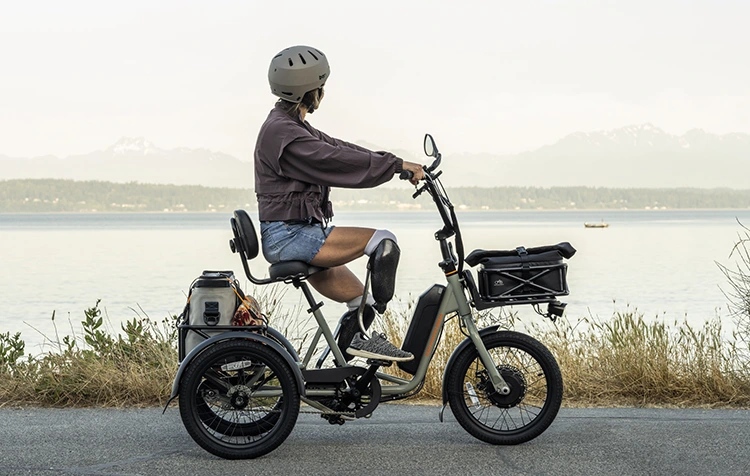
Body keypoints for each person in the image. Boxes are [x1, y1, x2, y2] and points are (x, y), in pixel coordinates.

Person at [254, 45, 424, 362]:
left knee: (364, 302)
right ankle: (361, 339)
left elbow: (339, 147)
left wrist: (396, 163)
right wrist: (396, 167)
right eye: (321, 86)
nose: (323, 92)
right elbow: (336, 159)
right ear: (311, 90)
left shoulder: (290, 127)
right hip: (290, 237)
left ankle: (341, 371)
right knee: (383, 242)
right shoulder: (284, 132)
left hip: (296, 233)